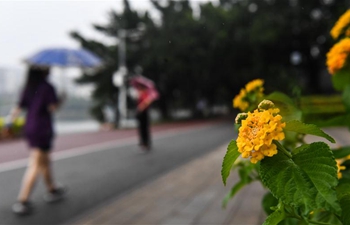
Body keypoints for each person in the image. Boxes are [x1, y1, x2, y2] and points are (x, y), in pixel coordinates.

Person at [10, 66, 66, 215]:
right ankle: (23, 200)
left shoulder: (29, 87)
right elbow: (52, 108)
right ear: (41, 70)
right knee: (36, 163)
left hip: (30, 127)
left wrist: (10, 124)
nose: (49, 68)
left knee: (45, 160)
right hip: (43, 128)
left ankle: (52, 189)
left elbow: (18, 109)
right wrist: (61, 99)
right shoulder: (47, 87)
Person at [134, 83, 158, 151]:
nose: (139, 88)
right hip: (140, 112)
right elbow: (137, 102)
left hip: (144, 112)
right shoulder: (139, 94)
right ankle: (143, 142)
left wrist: (142, 106)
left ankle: (146, 142)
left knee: (145, 128)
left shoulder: (146, 93)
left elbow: (148, 102)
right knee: (141, 128)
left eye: (140, 87)